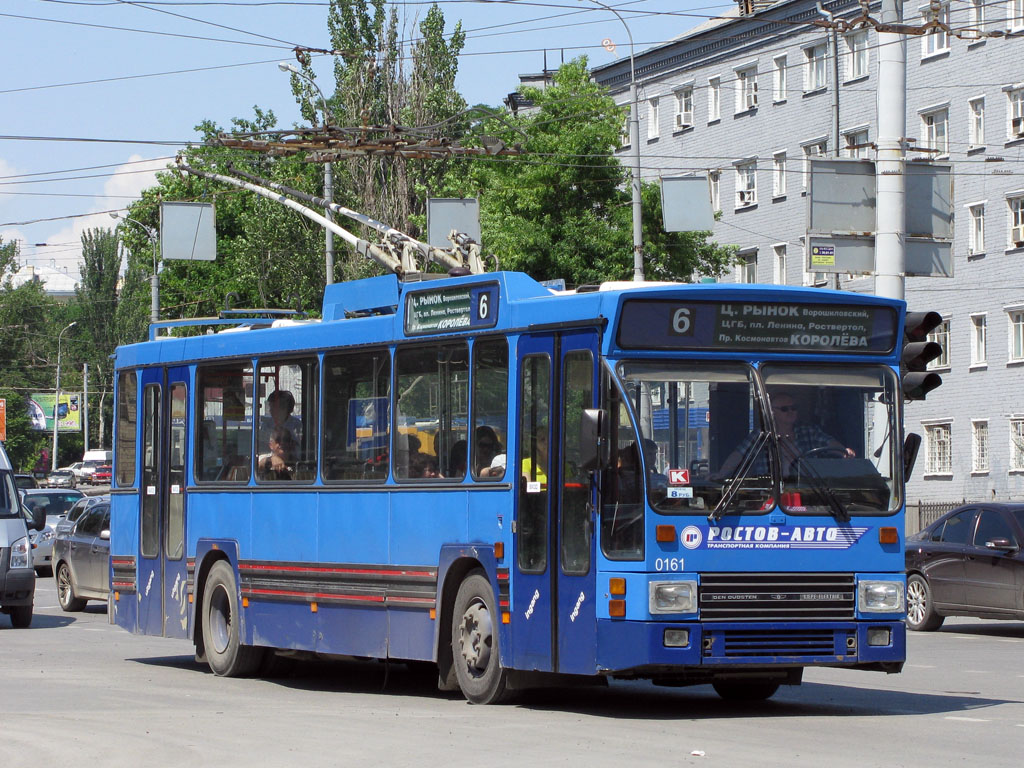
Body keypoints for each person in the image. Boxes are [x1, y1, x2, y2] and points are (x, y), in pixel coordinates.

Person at [718, 391, 853, 478]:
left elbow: (828, 442)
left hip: (809, 490)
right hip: (770, 491)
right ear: (772, 412)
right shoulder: (761, 435)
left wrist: (843, 451)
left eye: (794, 408)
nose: (791, 412)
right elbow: (739, 454)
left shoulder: (809, 431)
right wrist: (722, 474)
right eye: (784, 409)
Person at [259, 390, 302, 454]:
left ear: (287, 408)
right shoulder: (266, 425)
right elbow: (262, 449)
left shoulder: (297, 425)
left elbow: (299, 449)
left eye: (275, 407)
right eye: (271, 407)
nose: (271, 411)